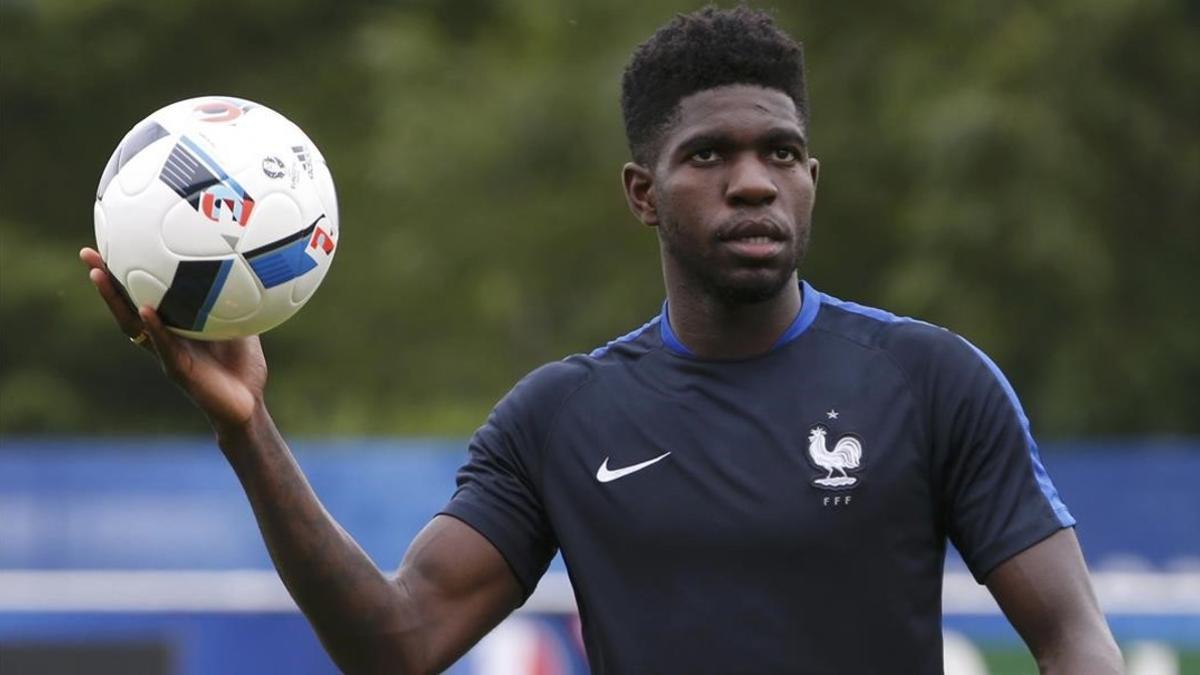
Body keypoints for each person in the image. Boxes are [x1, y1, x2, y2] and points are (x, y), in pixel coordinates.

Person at [81, 7, 1124, 675]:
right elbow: (396, 645)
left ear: (812, 178)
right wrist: (249, 429)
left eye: (782, 152)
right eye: (709, 154)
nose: (753, 180)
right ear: (642, 193)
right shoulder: (563, 418)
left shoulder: (933, 382)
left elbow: (1076, 641)